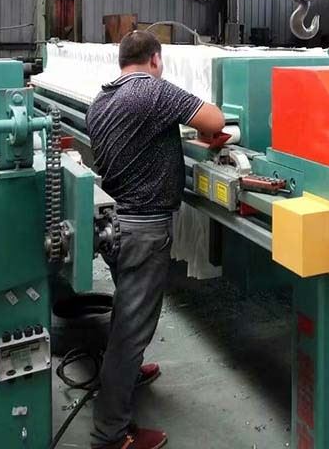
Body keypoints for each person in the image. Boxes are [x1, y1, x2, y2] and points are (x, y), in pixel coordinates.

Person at [86, 30, 225, 449]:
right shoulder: (152, 92)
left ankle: (127, 372)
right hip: (144, 230)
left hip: (115, 225)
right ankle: (111, 434)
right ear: (156, 60)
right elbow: (215, 120)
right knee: (132, 330)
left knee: (127, 311)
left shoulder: (102, 99)